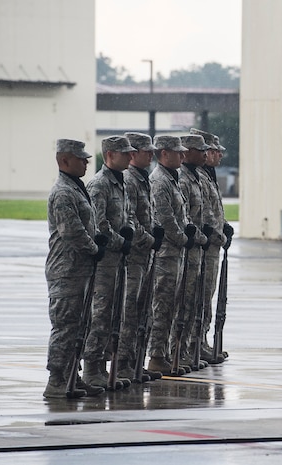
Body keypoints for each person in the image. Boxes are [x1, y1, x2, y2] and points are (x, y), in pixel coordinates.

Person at [44, 139, 105, 399]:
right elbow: (72, 231)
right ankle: (56, 379)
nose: (86, 162)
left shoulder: (76, 189)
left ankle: (72, 376)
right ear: (64, 161)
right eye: (81, 158)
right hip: (66, 270)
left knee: (80, 325)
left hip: (80, 269)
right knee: (66, 326)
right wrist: (93, 248)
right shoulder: (63, 192)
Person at [83, 136, 136, 390]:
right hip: (105, 261)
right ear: (110, 155)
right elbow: (99, 224)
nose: (130, 157)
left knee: (115, 314)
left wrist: (131, 234)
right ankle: (91, 367)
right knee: (101, 314)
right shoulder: (99, 184)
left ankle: (104, 367)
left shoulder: (121, 182)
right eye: (125, 153)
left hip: (119, 260)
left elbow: (129, 215)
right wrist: (119, 241)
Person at [146, 135, 196, 375]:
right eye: (178, 152)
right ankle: (156, 355)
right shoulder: (159, 181)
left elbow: (181, 216)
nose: (182, 156)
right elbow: (165, 219)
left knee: (173, 306)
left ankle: (164, 353)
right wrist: (184, 237)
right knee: (163, 306)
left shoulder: (171, 179)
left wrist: (188, 232)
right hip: (166, 255)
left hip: (176, 254)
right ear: (164, 154)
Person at [120, 132, 162, 382]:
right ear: (133, 154)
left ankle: (135, 362)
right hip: (133, 256)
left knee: (142, 311)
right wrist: (148, 238)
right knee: (129, 311)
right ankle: (124, 363)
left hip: (145, 256)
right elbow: (130, 218)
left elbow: (150, 213)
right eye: (147, 151)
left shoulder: (142, 179)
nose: (151, 155)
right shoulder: (129, 180)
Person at [190, 128, 231, 364]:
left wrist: (223, 227)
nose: (217, 156)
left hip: (211, 247)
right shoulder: (198, 177)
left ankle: (200, 341)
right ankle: (192, 344)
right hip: (202, 247)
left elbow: (212, 212)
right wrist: (213, 234)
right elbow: (199, 215)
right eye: (214, 151)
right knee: (195, 298)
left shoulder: (206, 177)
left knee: (206, 297)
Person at [176, 134, 212, 370]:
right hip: (183, 250)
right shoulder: (181, 179)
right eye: (200, 150)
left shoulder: (197, 177)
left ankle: (190, 346)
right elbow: (180, 219)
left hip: (197, 249)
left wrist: (213, 234)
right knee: (178, 305)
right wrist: (199, 237)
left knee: (194, 302)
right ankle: (174, 352)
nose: (206, 154)